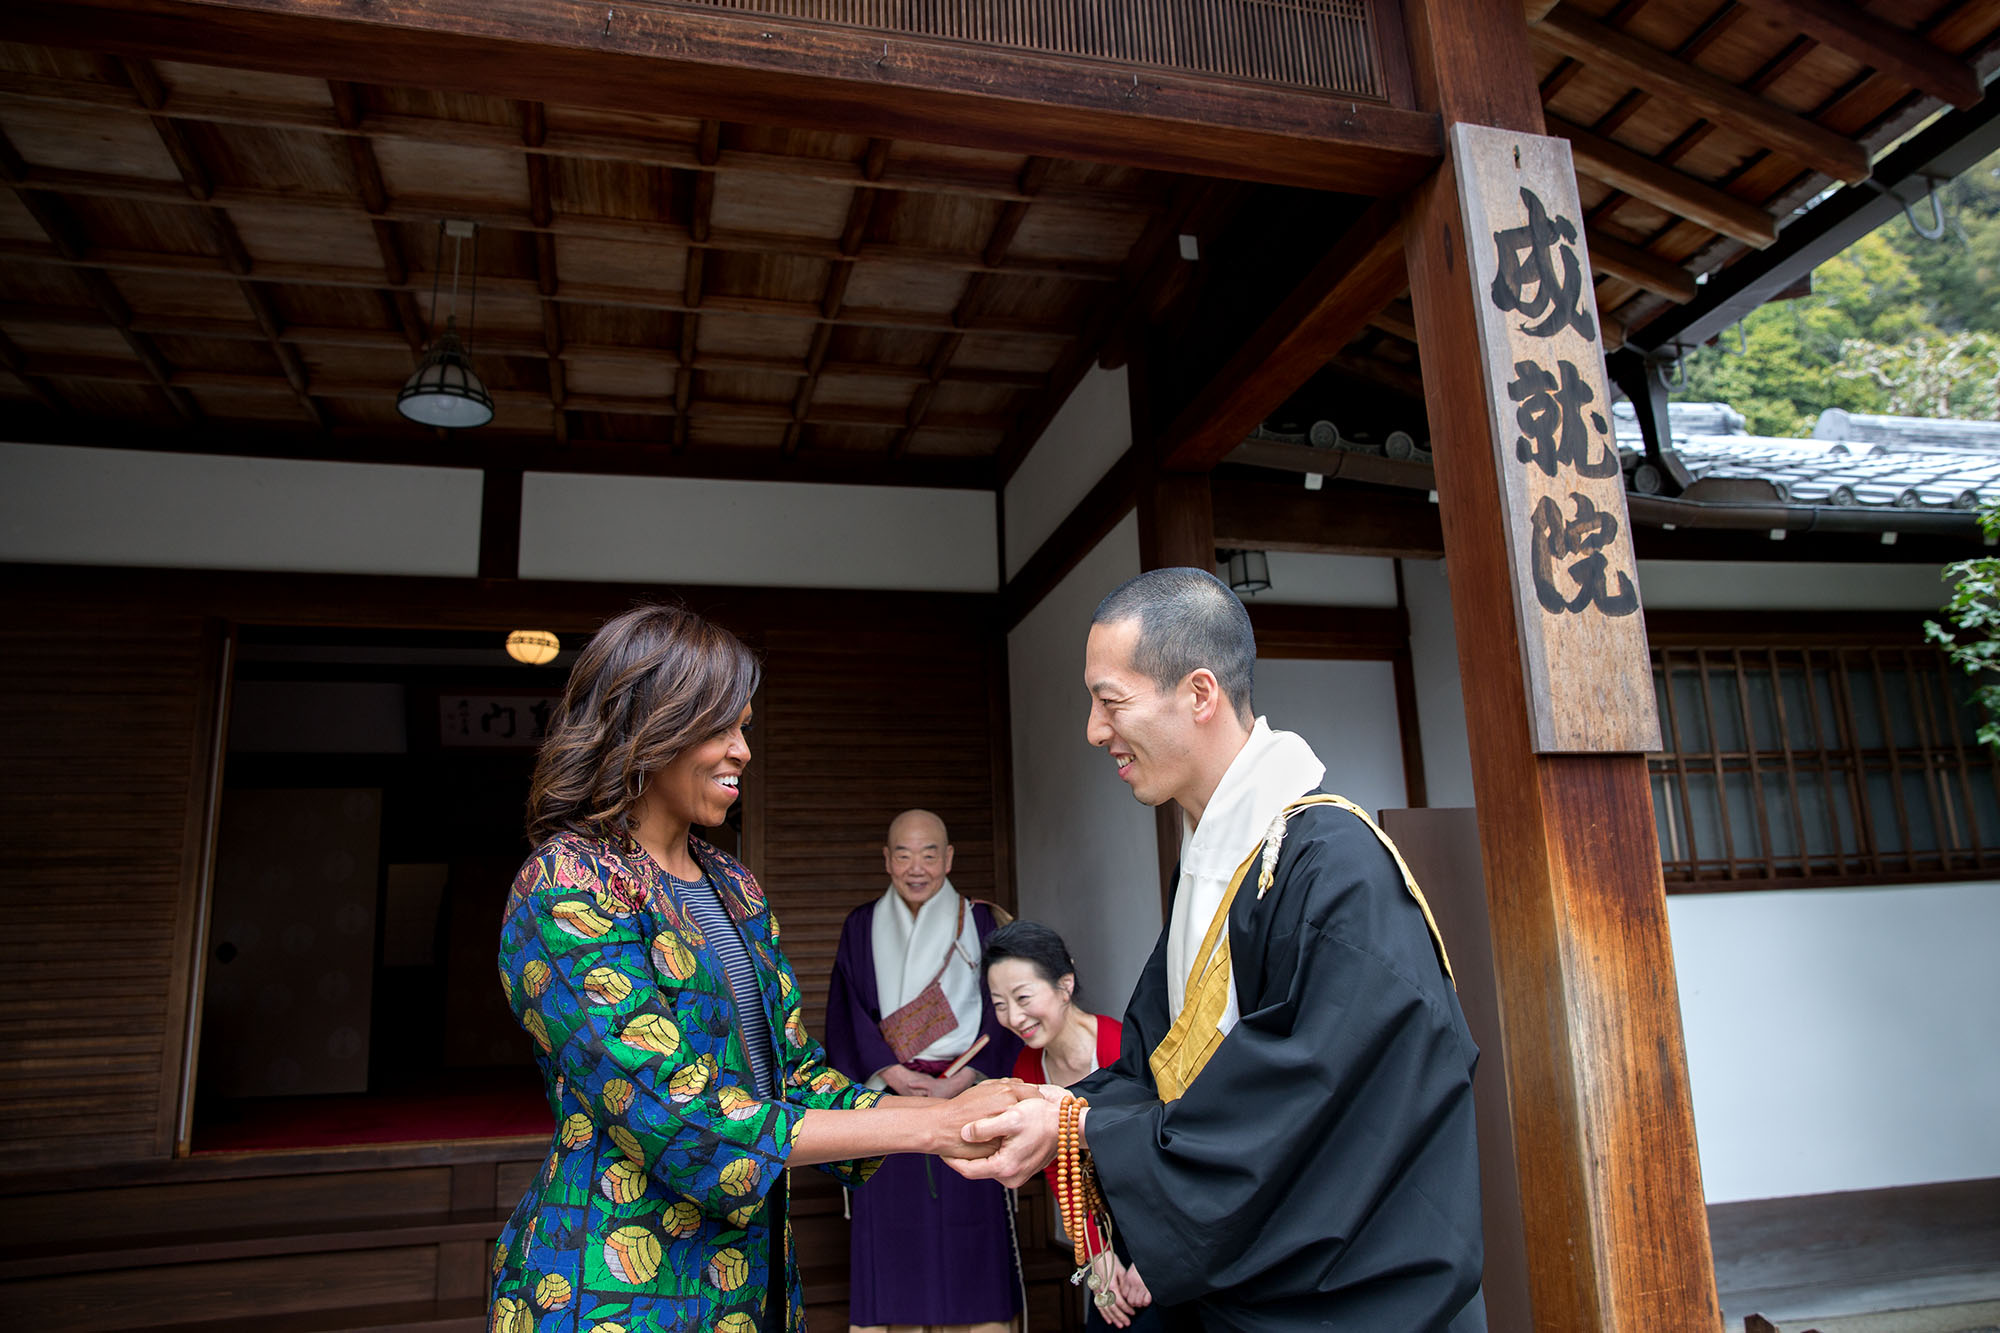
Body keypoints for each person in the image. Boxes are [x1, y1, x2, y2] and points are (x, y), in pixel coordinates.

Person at [954, 568, 1483, 1331]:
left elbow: (1306, 1096)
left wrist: (1082, 1128)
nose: (1095, 731)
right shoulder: (1217, 863)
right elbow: (1156, 1060)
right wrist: (1061, 1106)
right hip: (1241, 1269)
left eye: (1110, 702)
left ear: (1199, 693)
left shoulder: (1332, 864)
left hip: (1344, 1288)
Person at [490, 603, 1031, 1333]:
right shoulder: (568, 885)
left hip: (753, 1284)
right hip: (609, 1286)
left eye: (743, 726)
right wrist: (935, 1125)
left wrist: (969, 1114)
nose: (743, 749)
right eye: (721, 727)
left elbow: (797, 1075)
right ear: (649, 724)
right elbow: (680, 1114)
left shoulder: (733, 885)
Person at [822, 809, 1024, 1333]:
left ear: (949, 858)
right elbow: (847, 1014)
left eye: (930, 853)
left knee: (971, 1233)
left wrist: (967, 1078)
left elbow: (1002, 1010)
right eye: (905, 854)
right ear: (887, 860)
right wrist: (888, 1070)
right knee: (895, 1240)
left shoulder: (979, 921)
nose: (918, 866)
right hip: (888, 1102)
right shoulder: (861, 925)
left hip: (966, 1099)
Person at [982, 921, 1160, 1333]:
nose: (1013, 1016)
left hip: (1164, 1223)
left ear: (1065, 985)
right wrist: (1098, 1255)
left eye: (1023, 997)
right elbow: (1055, 1169)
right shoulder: (1026, 1068)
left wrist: (1156, 1257)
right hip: (1104, 1228)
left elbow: (1165, 1148)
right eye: (999, 1003)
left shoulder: (1122, 1048)